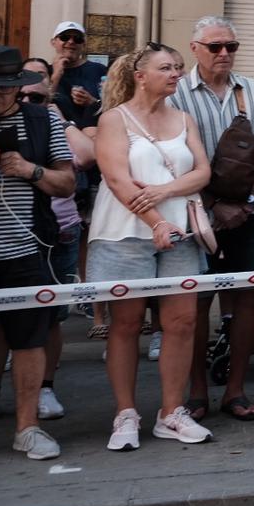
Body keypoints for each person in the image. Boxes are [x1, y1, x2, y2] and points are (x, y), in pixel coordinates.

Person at [89, 44, 215, 450]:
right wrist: (156, 220)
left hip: (179, 234)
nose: (177, 73)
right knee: (125, 325)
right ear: (140, 75)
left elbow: (203, 172)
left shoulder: (184, 118)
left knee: (182, 323)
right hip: (125, 234)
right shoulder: (113, 118)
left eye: (179, 67)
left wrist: (164, 192)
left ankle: (171, 412)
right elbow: (116, 179)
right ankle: (125, 414)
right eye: (166, 68)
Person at [169, 16, 254, 424]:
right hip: (196, 213)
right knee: (195, 303)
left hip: (250, 213)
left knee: (249, 299)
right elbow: (172, 156)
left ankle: (235, 389)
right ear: (194, 47)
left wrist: (250, 202)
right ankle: (196, 391)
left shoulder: (252, 88)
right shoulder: (177, 91)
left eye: (231, 46)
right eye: (215, 47)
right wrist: (214, 204)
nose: (224, 54)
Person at [0, 67, 90, 421]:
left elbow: (66, 184)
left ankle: (28, 426)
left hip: (26, 248)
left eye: (2, 90)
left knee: (31, 337)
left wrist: (28, 169)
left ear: (17, 87)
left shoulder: (41, 120)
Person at [47, 22, 106, 127]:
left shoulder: (100, 70)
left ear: (83, 44)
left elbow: (115, 106)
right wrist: (56, 76)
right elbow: (38, 104)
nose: (71, 42)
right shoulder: (45, 71)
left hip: (91, 133)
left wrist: (93, 103)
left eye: (77, 39)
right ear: (53, 42)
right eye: (64, 37)